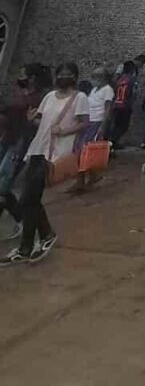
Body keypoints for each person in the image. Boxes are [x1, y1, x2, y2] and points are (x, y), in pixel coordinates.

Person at [1, 62, 89, 266]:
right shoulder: (49, 97)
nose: (64, 76)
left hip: (56, 153)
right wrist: (32, 120)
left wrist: (65, 131)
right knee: (32, 200)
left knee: (27, 200)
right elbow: (42, 121)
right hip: (37, 149)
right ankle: (34, 242)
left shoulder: (80, 97)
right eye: (61, 73)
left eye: (68, 74)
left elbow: (84, 122)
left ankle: (36, 241)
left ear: (75, 77)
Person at [0, 64, 49, 239]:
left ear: (33, 78)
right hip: (7, 140)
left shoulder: (38, 99)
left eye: (23, 74)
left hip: (19, 144)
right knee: (3, 186)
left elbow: (33, 124)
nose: (20, 77)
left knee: (3, 186)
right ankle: (19, 218)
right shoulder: (20, 93)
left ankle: (21, 219)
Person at [69, 68, 114, 193]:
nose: (94, 79)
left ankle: (82, 180)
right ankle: (89, 177)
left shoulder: (108, 90)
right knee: (78, 150)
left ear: (104, 77)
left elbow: (108, 110)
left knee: (84, 152)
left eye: (97, 76)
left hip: (97, 122)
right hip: (88, 121)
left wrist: (102, 127)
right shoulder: (94, 89)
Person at [110, 60, 136, 152]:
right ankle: (111, 142)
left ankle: (113, 142)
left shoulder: (120, 80)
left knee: (117, 125)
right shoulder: (132, 80)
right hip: (125, 106)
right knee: (123, 126)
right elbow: (132, 93)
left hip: (117, 104)